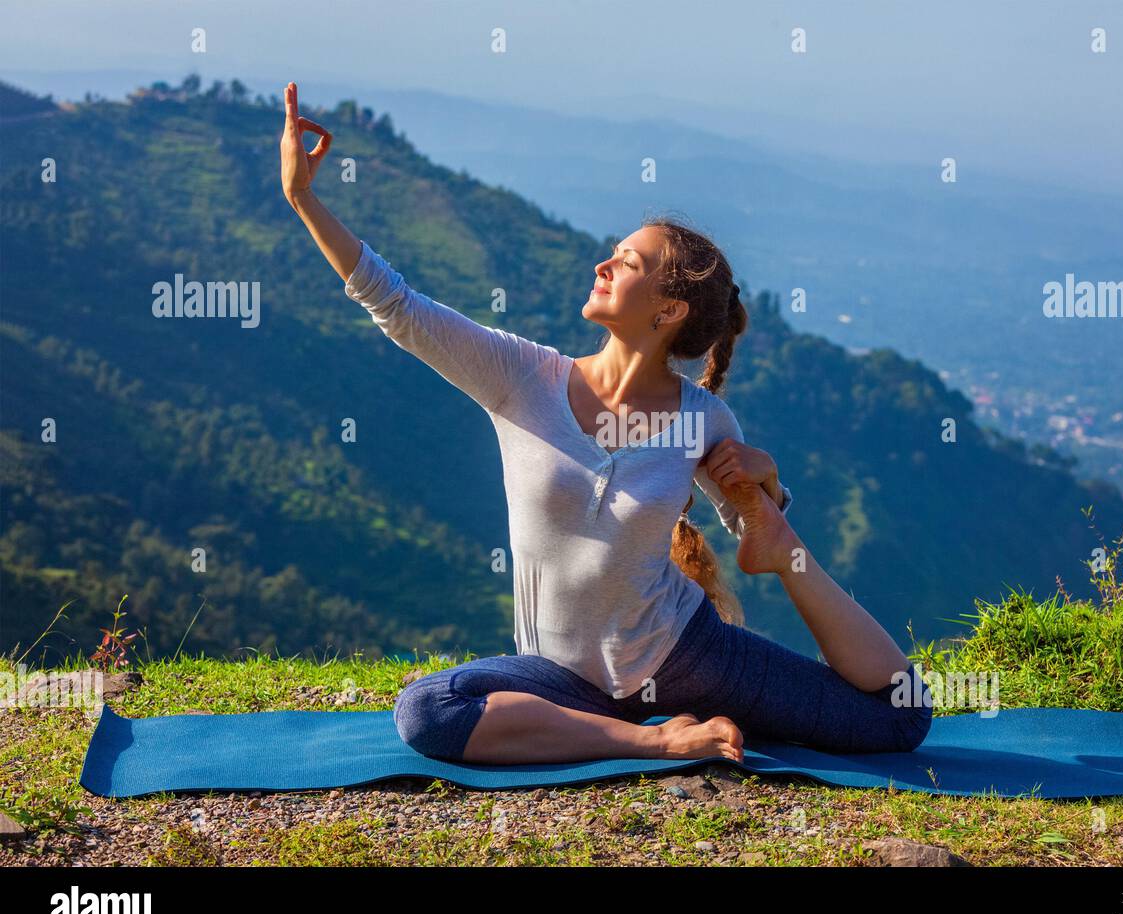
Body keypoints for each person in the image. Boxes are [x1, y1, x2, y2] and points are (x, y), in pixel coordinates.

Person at [279, 81, 932, 765]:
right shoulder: (520, 376)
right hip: (560, 682)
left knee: (901, 717)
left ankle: (659, 715)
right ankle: (652, 740)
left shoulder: (704, 421)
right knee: (428, 710)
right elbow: (397, 305)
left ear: (669, 309)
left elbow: (755, 536)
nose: (602, 264)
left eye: (627, 263)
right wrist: (303, 198)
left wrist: (770, 515)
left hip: (687, 656)